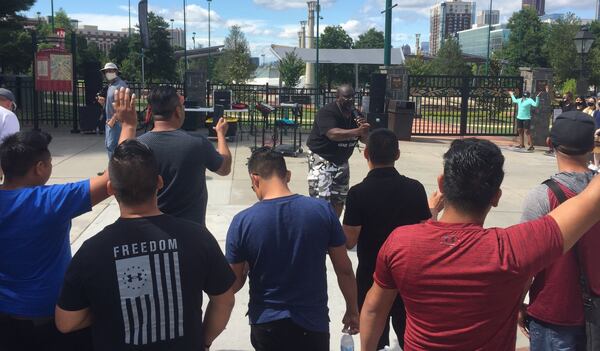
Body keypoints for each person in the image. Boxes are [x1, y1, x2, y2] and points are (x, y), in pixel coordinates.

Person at [360, 137, 600, 351]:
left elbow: (374, 309)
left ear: (442, 184)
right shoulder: (514, 249)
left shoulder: (402, 243)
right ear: (496, 197)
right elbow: (591, 201)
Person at [55, 140, 236, 351]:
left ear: (111, 189)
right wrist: (204, 342)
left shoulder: (92, 252)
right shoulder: (197, 237)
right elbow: (225, 301)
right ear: (159, 182)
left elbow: (66, 322)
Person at [0, 87, 137, 351]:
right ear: (40, 168)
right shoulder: (50, 202)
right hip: (51, 319)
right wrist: (129, 125)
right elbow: (116, 176)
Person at [226, 147, 359, 351]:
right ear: (287, 175)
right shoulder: (322, 211)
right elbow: (344, 269)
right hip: (313, 322)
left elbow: (233, 284)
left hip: (267, 322)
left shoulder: (243, 222)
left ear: (255, 179)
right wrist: (352, 309)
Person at [342, 128, 442, 350]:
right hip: (407, 274)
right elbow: (425, 232)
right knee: (409, 336)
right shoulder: (414, 188)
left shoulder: (358, 193)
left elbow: (349, 240)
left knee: (374, 340)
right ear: (397, 155)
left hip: (371, 275)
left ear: (366, 153)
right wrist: (433, 210)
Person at [520, 111, 600, 351]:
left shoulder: (543, 196)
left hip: (554, 313)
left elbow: (526, 263)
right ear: (591, 147)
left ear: (549, 143)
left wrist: (516, 305)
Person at [137, 85, 232, 227]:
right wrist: (221, 135)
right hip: (192, 233)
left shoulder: (137, 146)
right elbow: (224, 168)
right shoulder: (197, 144)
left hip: (154, 233)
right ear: (177, 111)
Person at [306, 84, 370, 217]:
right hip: (323, 158)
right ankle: (319, 228)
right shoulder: (327, 112)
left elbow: (365, 140)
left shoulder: (356, 115)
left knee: (340, 197)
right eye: (347, 97)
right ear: (337, 97)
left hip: (342, 160)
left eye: (353, 97)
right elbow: (333, 134)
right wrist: (357, 131)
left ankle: (334, 226)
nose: (351, 100)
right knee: (321, 199)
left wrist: (364, 130)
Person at [97, 62, 128, 163]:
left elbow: (123, 106)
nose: (108, 73)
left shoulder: (120, 86)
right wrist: (103, 103)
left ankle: (115, 171)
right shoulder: (111, 85)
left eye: (111, 71)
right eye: (106, 71)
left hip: (116, 123)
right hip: (111, 122)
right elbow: (112, 104)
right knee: (110, 147)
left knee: (113, 147)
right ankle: (112, 170)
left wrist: (113, 120)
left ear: (116, 72)